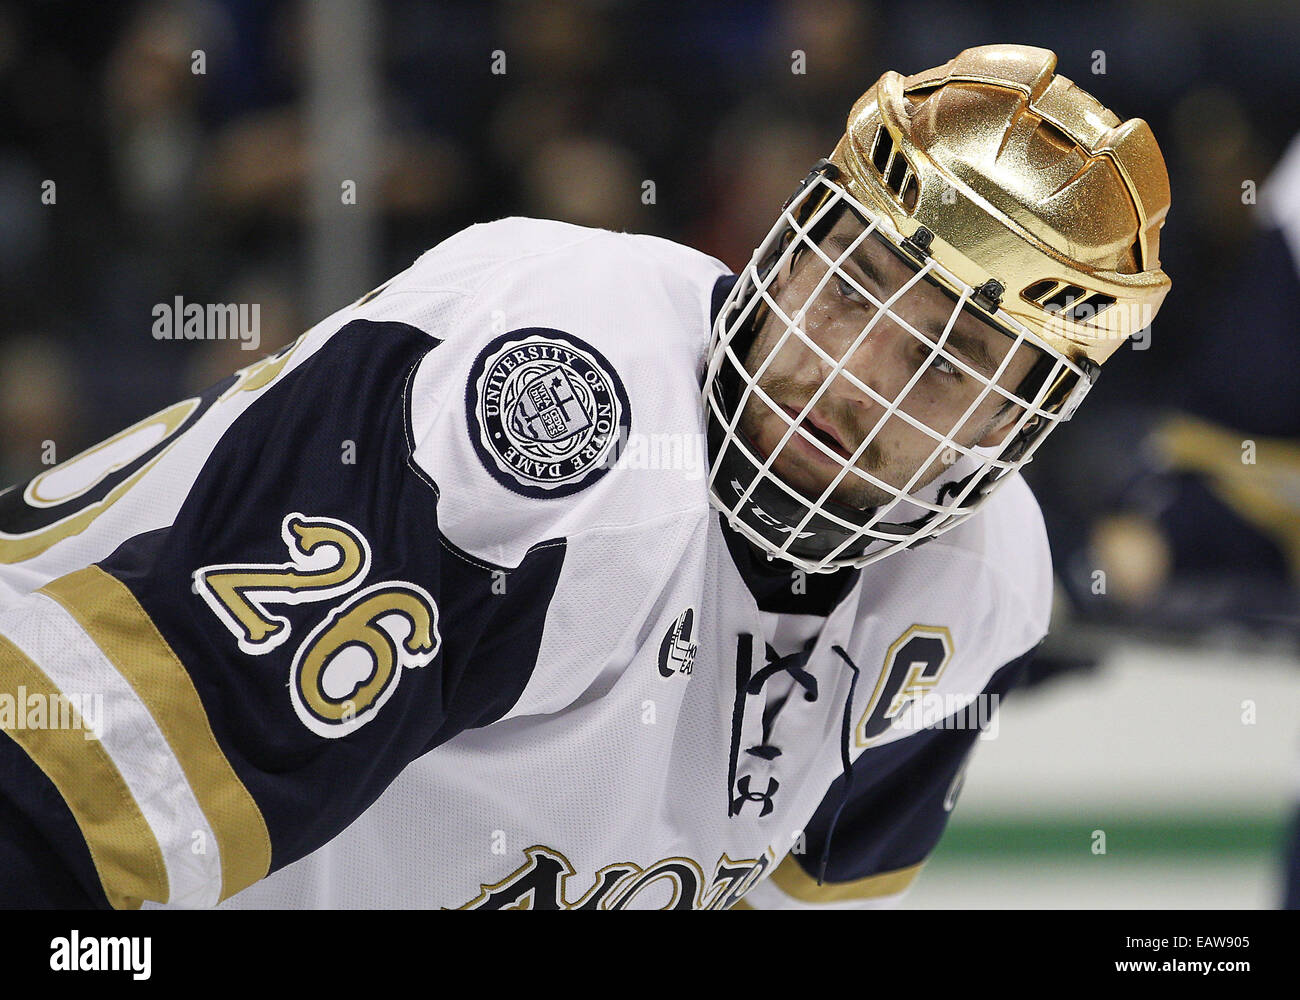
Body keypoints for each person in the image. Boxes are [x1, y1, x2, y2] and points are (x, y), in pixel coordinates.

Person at [0, 44, 1170, 909]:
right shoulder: (560, 409)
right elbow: (51, 824)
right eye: (852, 282)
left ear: (1024, 424)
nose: (850, 375)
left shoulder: (978, 587)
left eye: (950, 355)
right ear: (788, 235)